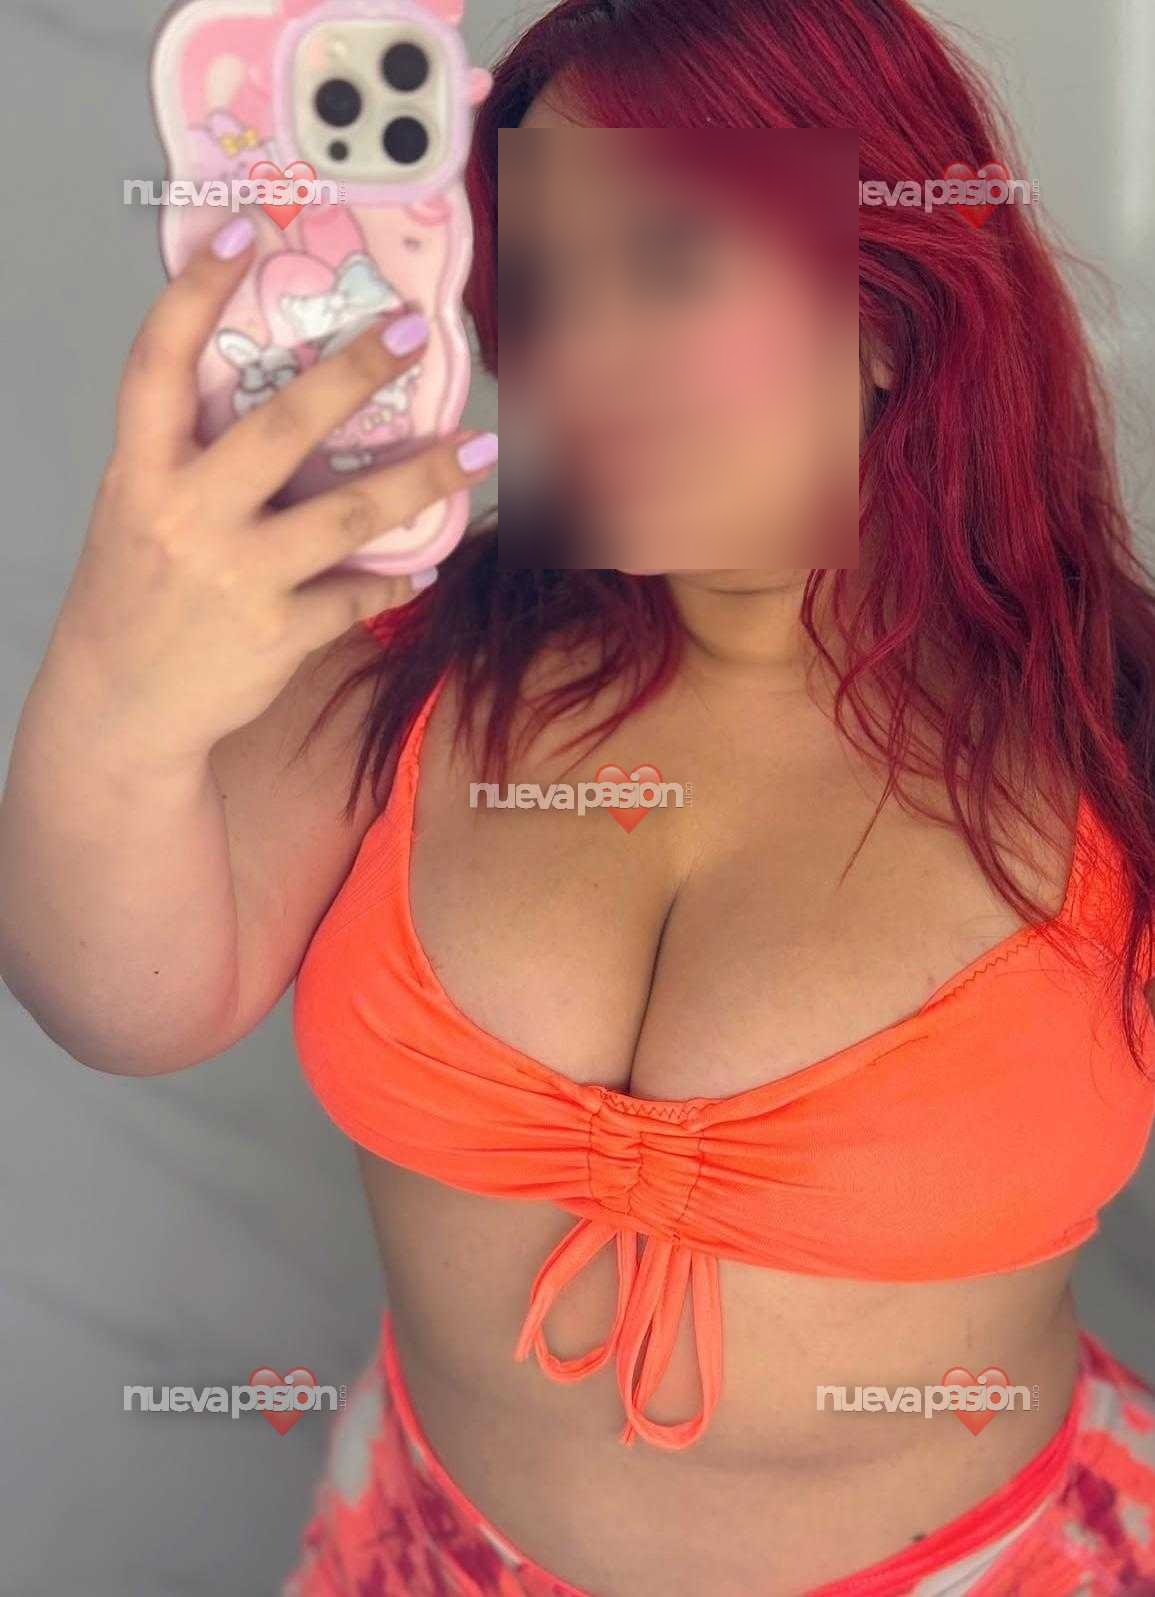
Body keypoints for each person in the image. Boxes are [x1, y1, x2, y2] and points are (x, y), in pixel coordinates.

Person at [3, 1, 1155, 1592]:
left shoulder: (1110, 731)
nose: (585, 361)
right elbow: (120, 1004)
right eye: (545, 288)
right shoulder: (417, 654)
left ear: (889, 316)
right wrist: (115, 688)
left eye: (671, 262)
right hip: (419, 1551)